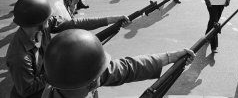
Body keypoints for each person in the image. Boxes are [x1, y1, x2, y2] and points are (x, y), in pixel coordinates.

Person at [6, 0, 130, 98]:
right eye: (47, 19)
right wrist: (57, 72)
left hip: (49, 82)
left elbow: (74, 23)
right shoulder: (19, 57)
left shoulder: (41, 27)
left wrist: (110, 20)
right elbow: (27, 89)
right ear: (38, 23)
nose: (50, 20)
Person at [41, 29, 196, 98]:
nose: (104, 73)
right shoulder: (87, 77)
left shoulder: (71, 78)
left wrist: (171, 57)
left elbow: (127, 67)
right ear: (92, 82)